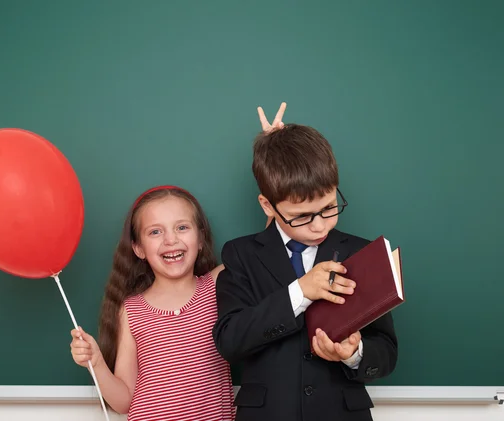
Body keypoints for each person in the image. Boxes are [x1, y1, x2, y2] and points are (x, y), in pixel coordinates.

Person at [212, 104, 398, 421]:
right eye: (301, 217)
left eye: (329, 208)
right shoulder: (241, 254)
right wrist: (300, 292)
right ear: (267, 206)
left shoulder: (361, 252)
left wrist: (354, 354)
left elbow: (387, 349)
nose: (319, 226)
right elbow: (230, 340)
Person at [70, 186, 235, 421]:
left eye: (182, 227)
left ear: (200, 239)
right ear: (138, 248)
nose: (171, 240)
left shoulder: (217, 286)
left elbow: (263, 253)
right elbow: (123, 401)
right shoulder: (132, 310)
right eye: (155, 232)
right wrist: (95, 363)